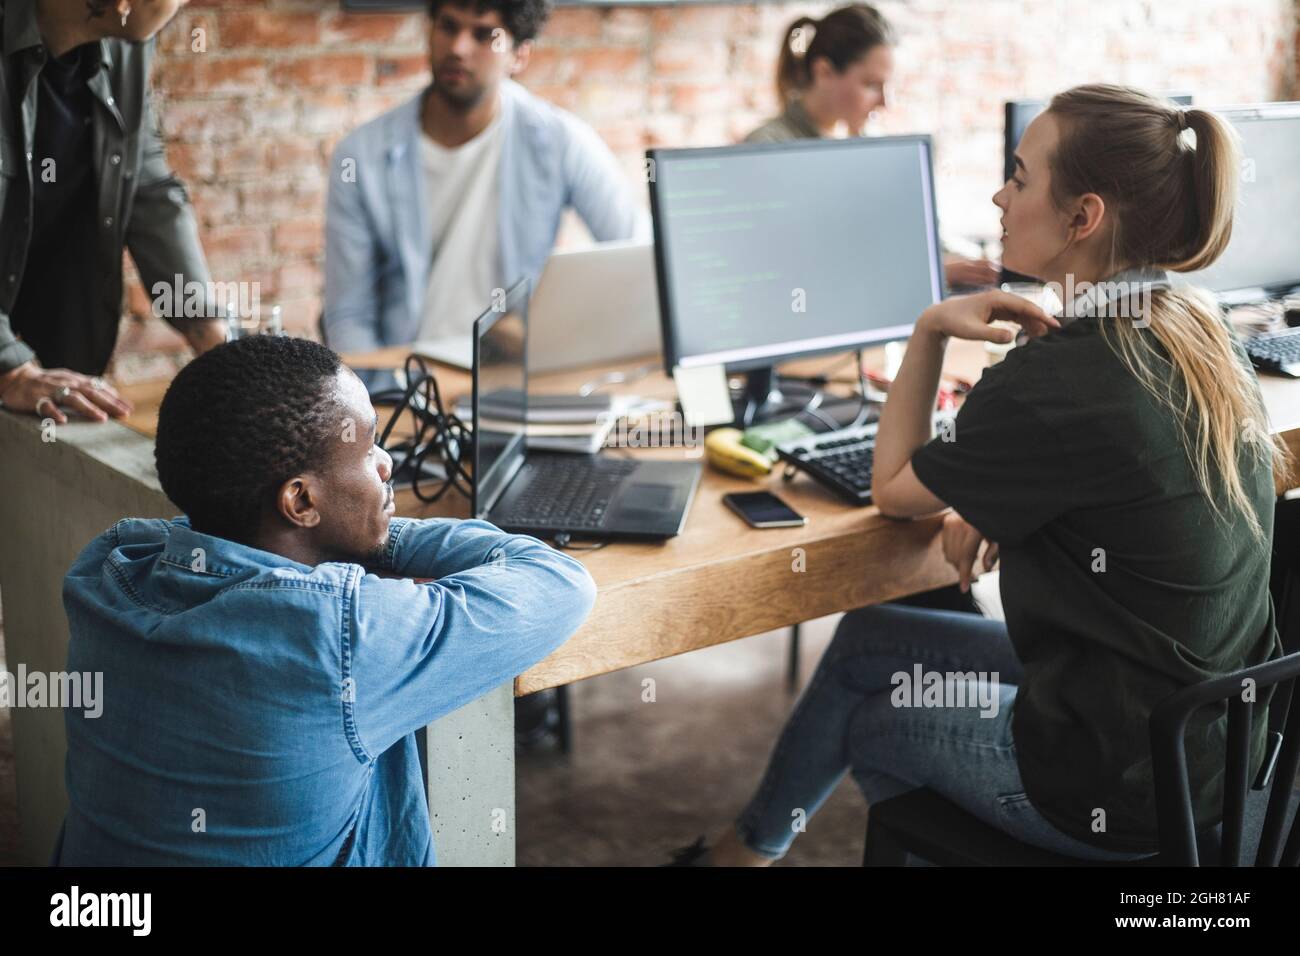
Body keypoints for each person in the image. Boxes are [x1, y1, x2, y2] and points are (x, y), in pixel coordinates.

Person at [675, 85, 1284, 865]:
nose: (1000, 195)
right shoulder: (1199, 327)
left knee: (875, 719)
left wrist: (928, 328)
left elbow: (894, 490)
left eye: (1021, 177)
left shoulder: (1056, 379)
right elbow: (1127, 480)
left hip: (1118, 788)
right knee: (870, 640)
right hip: (1219, 753)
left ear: (1082, 217)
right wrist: (1006, 502)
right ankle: (743, 851)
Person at [54, 334, 597, 865]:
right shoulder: (341, 635)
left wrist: (344, 526)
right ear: (301, 499)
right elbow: (559, 581)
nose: (386, 464)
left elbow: (190, 527)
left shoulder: (107, 569)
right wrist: (380, 538)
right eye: (366, 448)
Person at [323, 0, 644, 359]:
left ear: (519, 55)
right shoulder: (359, 156)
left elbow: (637, 255)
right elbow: (348, 314)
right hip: (411, 380)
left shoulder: (559, 141)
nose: (459, 48)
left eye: (483, 35)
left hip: (519, 377)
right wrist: (379, 402)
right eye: (448, 27)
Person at [0, 0, 224, 425]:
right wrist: (10, 369)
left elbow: (146, 181)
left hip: (57, 330)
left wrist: (208, 327)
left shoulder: (128, 44)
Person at [744, 4, 1000, 290]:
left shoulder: (868, 141)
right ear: (824, 72)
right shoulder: (765, 150)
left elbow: (917, 234)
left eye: (888, 86)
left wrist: (977, 262)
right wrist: (933, 272)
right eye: (871, 85)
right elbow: (799, 265)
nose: (885, 102)